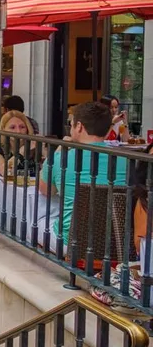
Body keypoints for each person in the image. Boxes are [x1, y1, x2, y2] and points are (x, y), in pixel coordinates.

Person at [39, 102, 128, 246]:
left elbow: (45, 190)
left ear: (79, 126)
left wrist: (57, 151)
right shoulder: (126, 160)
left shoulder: (61, 158)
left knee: (38, 219)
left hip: (72, 241)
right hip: (115, 242)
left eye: (71, 123)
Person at [0, 111, 38, 178]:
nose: (18, 131)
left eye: (22, 127)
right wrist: (21, 152)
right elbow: (5, 172)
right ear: (3, 129)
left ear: (27, 129)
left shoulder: (35, 145)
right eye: (12, 127)